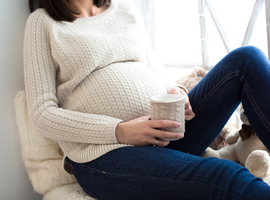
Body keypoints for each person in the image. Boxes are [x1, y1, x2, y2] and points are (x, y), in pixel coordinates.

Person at [24, 0, 270, 199]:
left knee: (247, 59)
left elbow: (157, 74)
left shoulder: (123, 10)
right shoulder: (42, 23)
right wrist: (119, 131)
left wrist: (176, 92)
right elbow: (41, 114)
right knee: (227, 176)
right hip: (105, 156)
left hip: (168, 135)